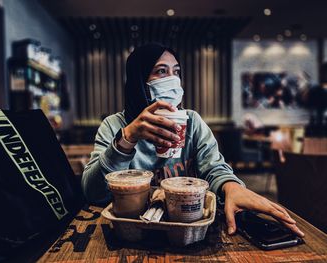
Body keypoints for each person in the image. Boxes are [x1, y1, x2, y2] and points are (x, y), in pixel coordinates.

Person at [82, 43, 304, 237]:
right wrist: (127, 138)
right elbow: (93, 192)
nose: (172, 80)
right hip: (132, 231)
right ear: (140, 80)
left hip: (188, 228)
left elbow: (215, 168)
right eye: (161, 71)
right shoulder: (113, 126)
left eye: (176, 72)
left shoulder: (192, 121)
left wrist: (231, 186)